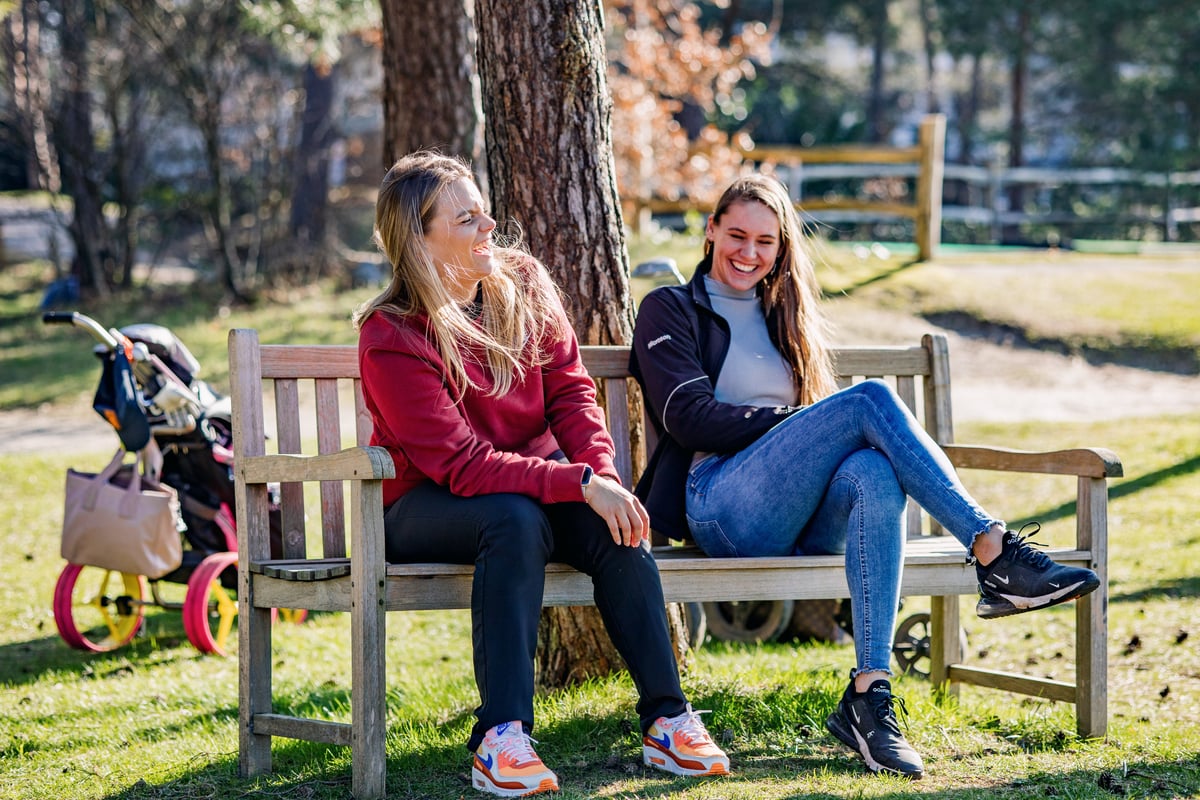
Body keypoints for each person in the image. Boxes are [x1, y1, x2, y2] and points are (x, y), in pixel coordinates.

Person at [629, 174, 1101, 780]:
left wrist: (802, 431)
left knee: (874, 472)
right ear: (710, 230)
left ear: (781, 250)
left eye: (766, 242)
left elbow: (819, 448)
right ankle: (992, 549)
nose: (749, 252)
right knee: (866, 400)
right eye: (737, 235)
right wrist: (796, 424)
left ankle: (869, 697)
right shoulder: (670, 307)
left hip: (800, 513)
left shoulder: (784, 319)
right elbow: (687, 417)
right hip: (721, 503)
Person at [354, 151, 729, 797]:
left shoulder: (521, 281)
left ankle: (668, 720)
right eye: (468, 218)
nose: (489, 225)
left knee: (616, 525)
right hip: (422, 505)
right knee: (512, 517)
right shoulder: (393, 335)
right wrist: (578, 483)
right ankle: (501, 736)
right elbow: (461, 465)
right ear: (420, 238)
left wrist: (601, 480)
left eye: (484, 210)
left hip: (530, 488)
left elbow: (572, 395)